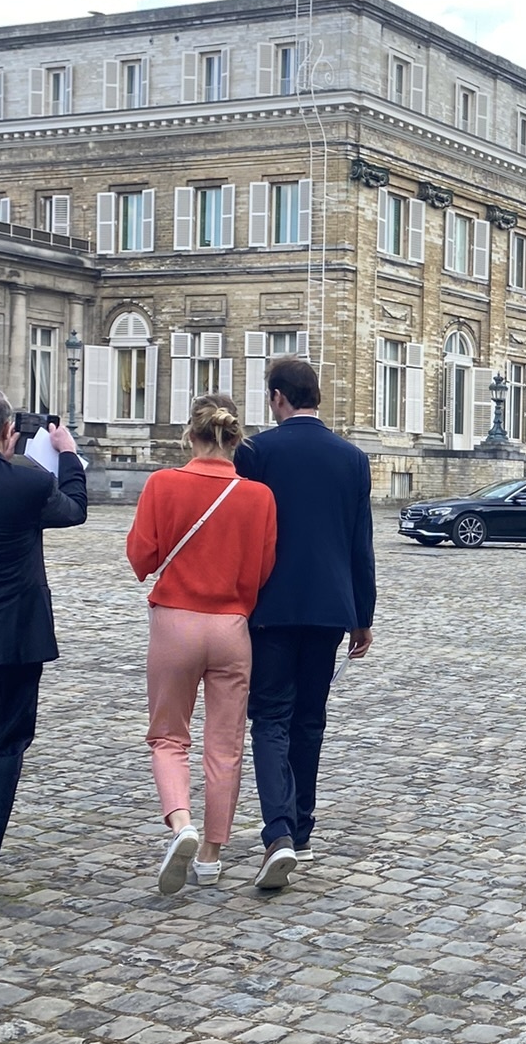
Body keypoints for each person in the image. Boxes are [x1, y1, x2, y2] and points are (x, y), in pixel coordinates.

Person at [234, 354, 375, 892]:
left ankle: (279, 833)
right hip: (329, 608)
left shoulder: (258, 452)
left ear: (276, 398)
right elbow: (359, 544)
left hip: (269, 607)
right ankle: (304, 827)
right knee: (310, 718)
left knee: (270, 718)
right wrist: (363, 615)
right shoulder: (352, 458)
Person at [126, 395, 276, 894]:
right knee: (226, 743)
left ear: (189, 436)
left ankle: (181, 824)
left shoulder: (163, 483)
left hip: (176, 622)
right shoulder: (259, 496)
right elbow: (261, 571)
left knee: (169, 736)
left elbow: (141, 557)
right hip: (232, 626)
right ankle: (211, 855)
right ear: (236, 441)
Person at [0, 388, 87, 887]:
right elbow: (73, 510)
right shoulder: (29, 480)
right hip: (11, 639)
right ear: (7, 432)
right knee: (1, 745)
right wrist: (66, 454)